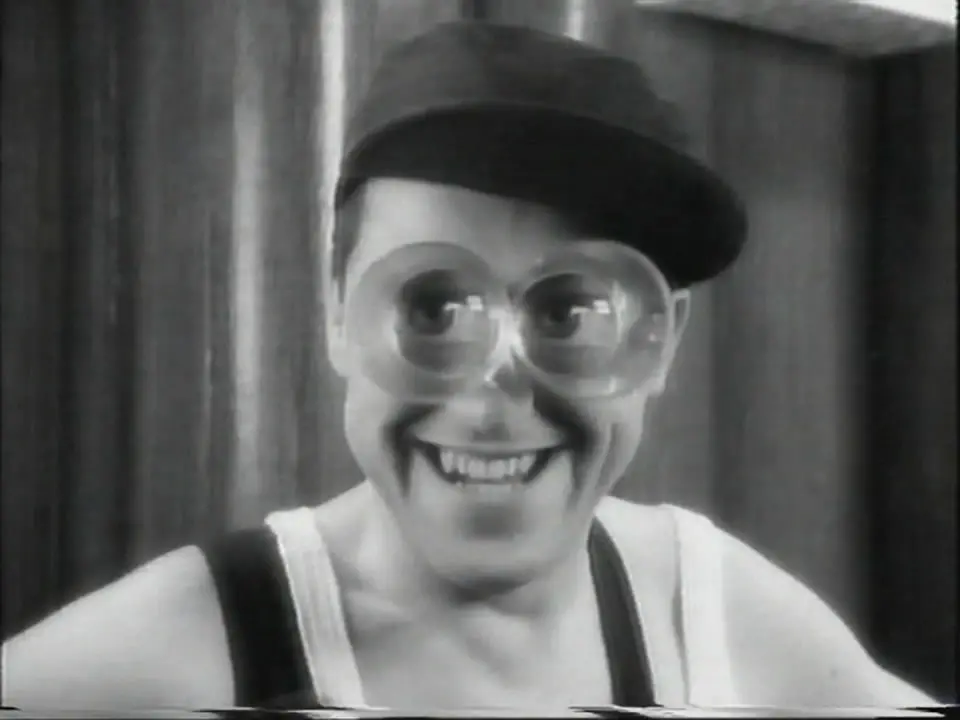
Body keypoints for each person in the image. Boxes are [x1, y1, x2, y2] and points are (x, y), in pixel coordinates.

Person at [3, 21, 938, 712]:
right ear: (338, 314)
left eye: (571, 311)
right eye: (431, 306)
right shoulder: (158, 665)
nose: (495, 385)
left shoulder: (711, 614)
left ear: (661, 342)